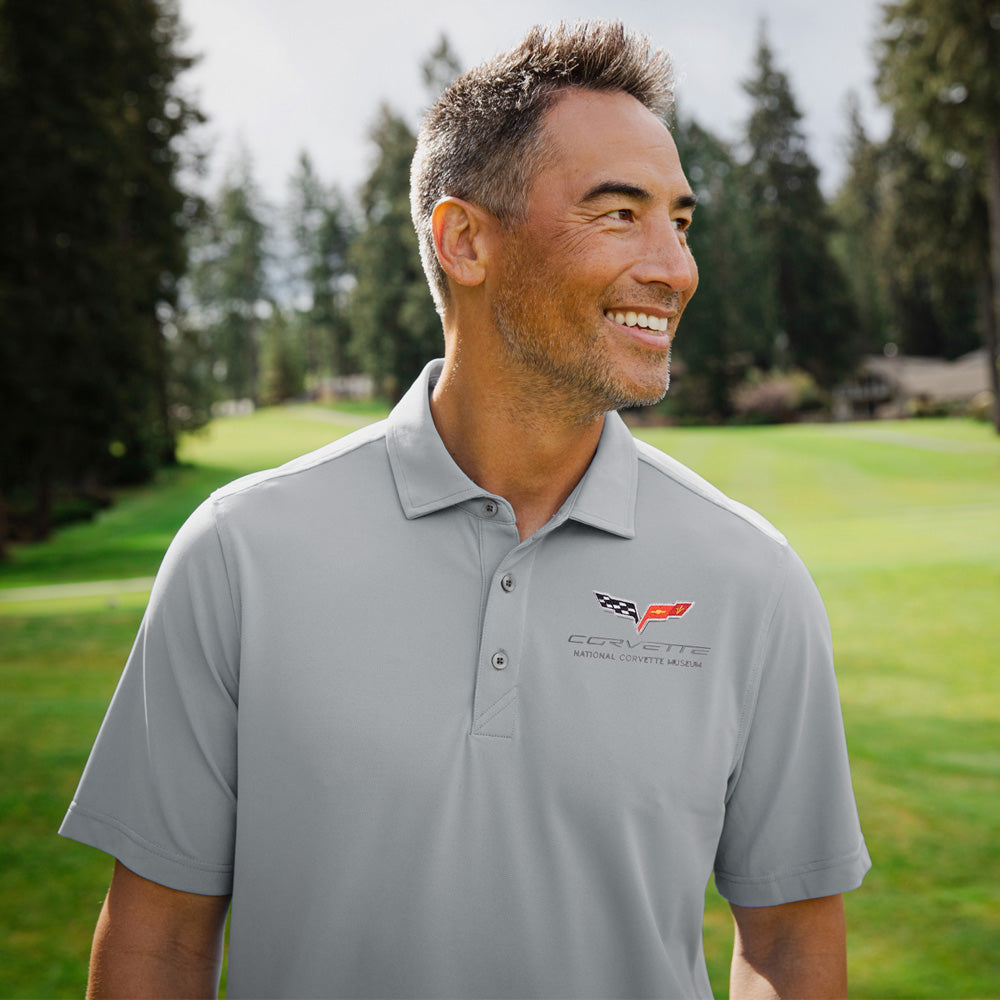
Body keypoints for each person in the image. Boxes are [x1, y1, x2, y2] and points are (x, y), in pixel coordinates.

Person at [62, 20, 870, 999]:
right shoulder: (239, 555)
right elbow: (156, 941)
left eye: (680, 221)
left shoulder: (753, 579)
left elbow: (788, 942)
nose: (676, 268)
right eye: (620, 214)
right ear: (466, 241)